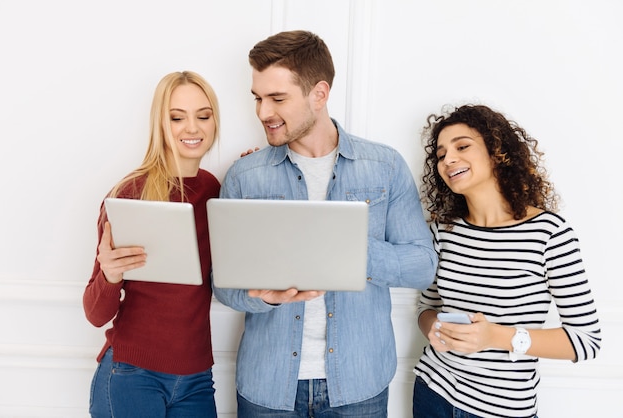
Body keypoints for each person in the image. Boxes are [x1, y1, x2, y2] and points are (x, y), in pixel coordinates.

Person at [212, 30, 438, 418]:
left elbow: (422, 266)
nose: (263, 112)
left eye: (278, 98)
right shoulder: (245, 177)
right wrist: (266, 295)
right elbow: (224, 286)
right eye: (258, 98)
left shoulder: (384, 167)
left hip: (359, 386)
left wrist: (347, 248)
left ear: (319, 93)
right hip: (268, 388)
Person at [412, 104, 601, 418]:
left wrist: (496, 336)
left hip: (502, 409)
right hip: (433, 392)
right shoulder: (443, 232)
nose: (448, 160)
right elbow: (426, 308)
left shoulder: (549, 234)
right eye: (441, 154)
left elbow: (585, 341)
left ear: (497, 152)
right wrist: (433, 327)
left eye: (462, 146)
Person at [83, 71, 221, 418]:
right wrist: (111, 276)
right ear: (161, 123)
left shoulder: (216, 191)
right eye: (177, 117)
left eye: (203, 115)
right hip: (131, 375)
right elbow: (95, 314)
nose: (192, 128)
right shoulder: (128, 195)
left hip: (197, 378)